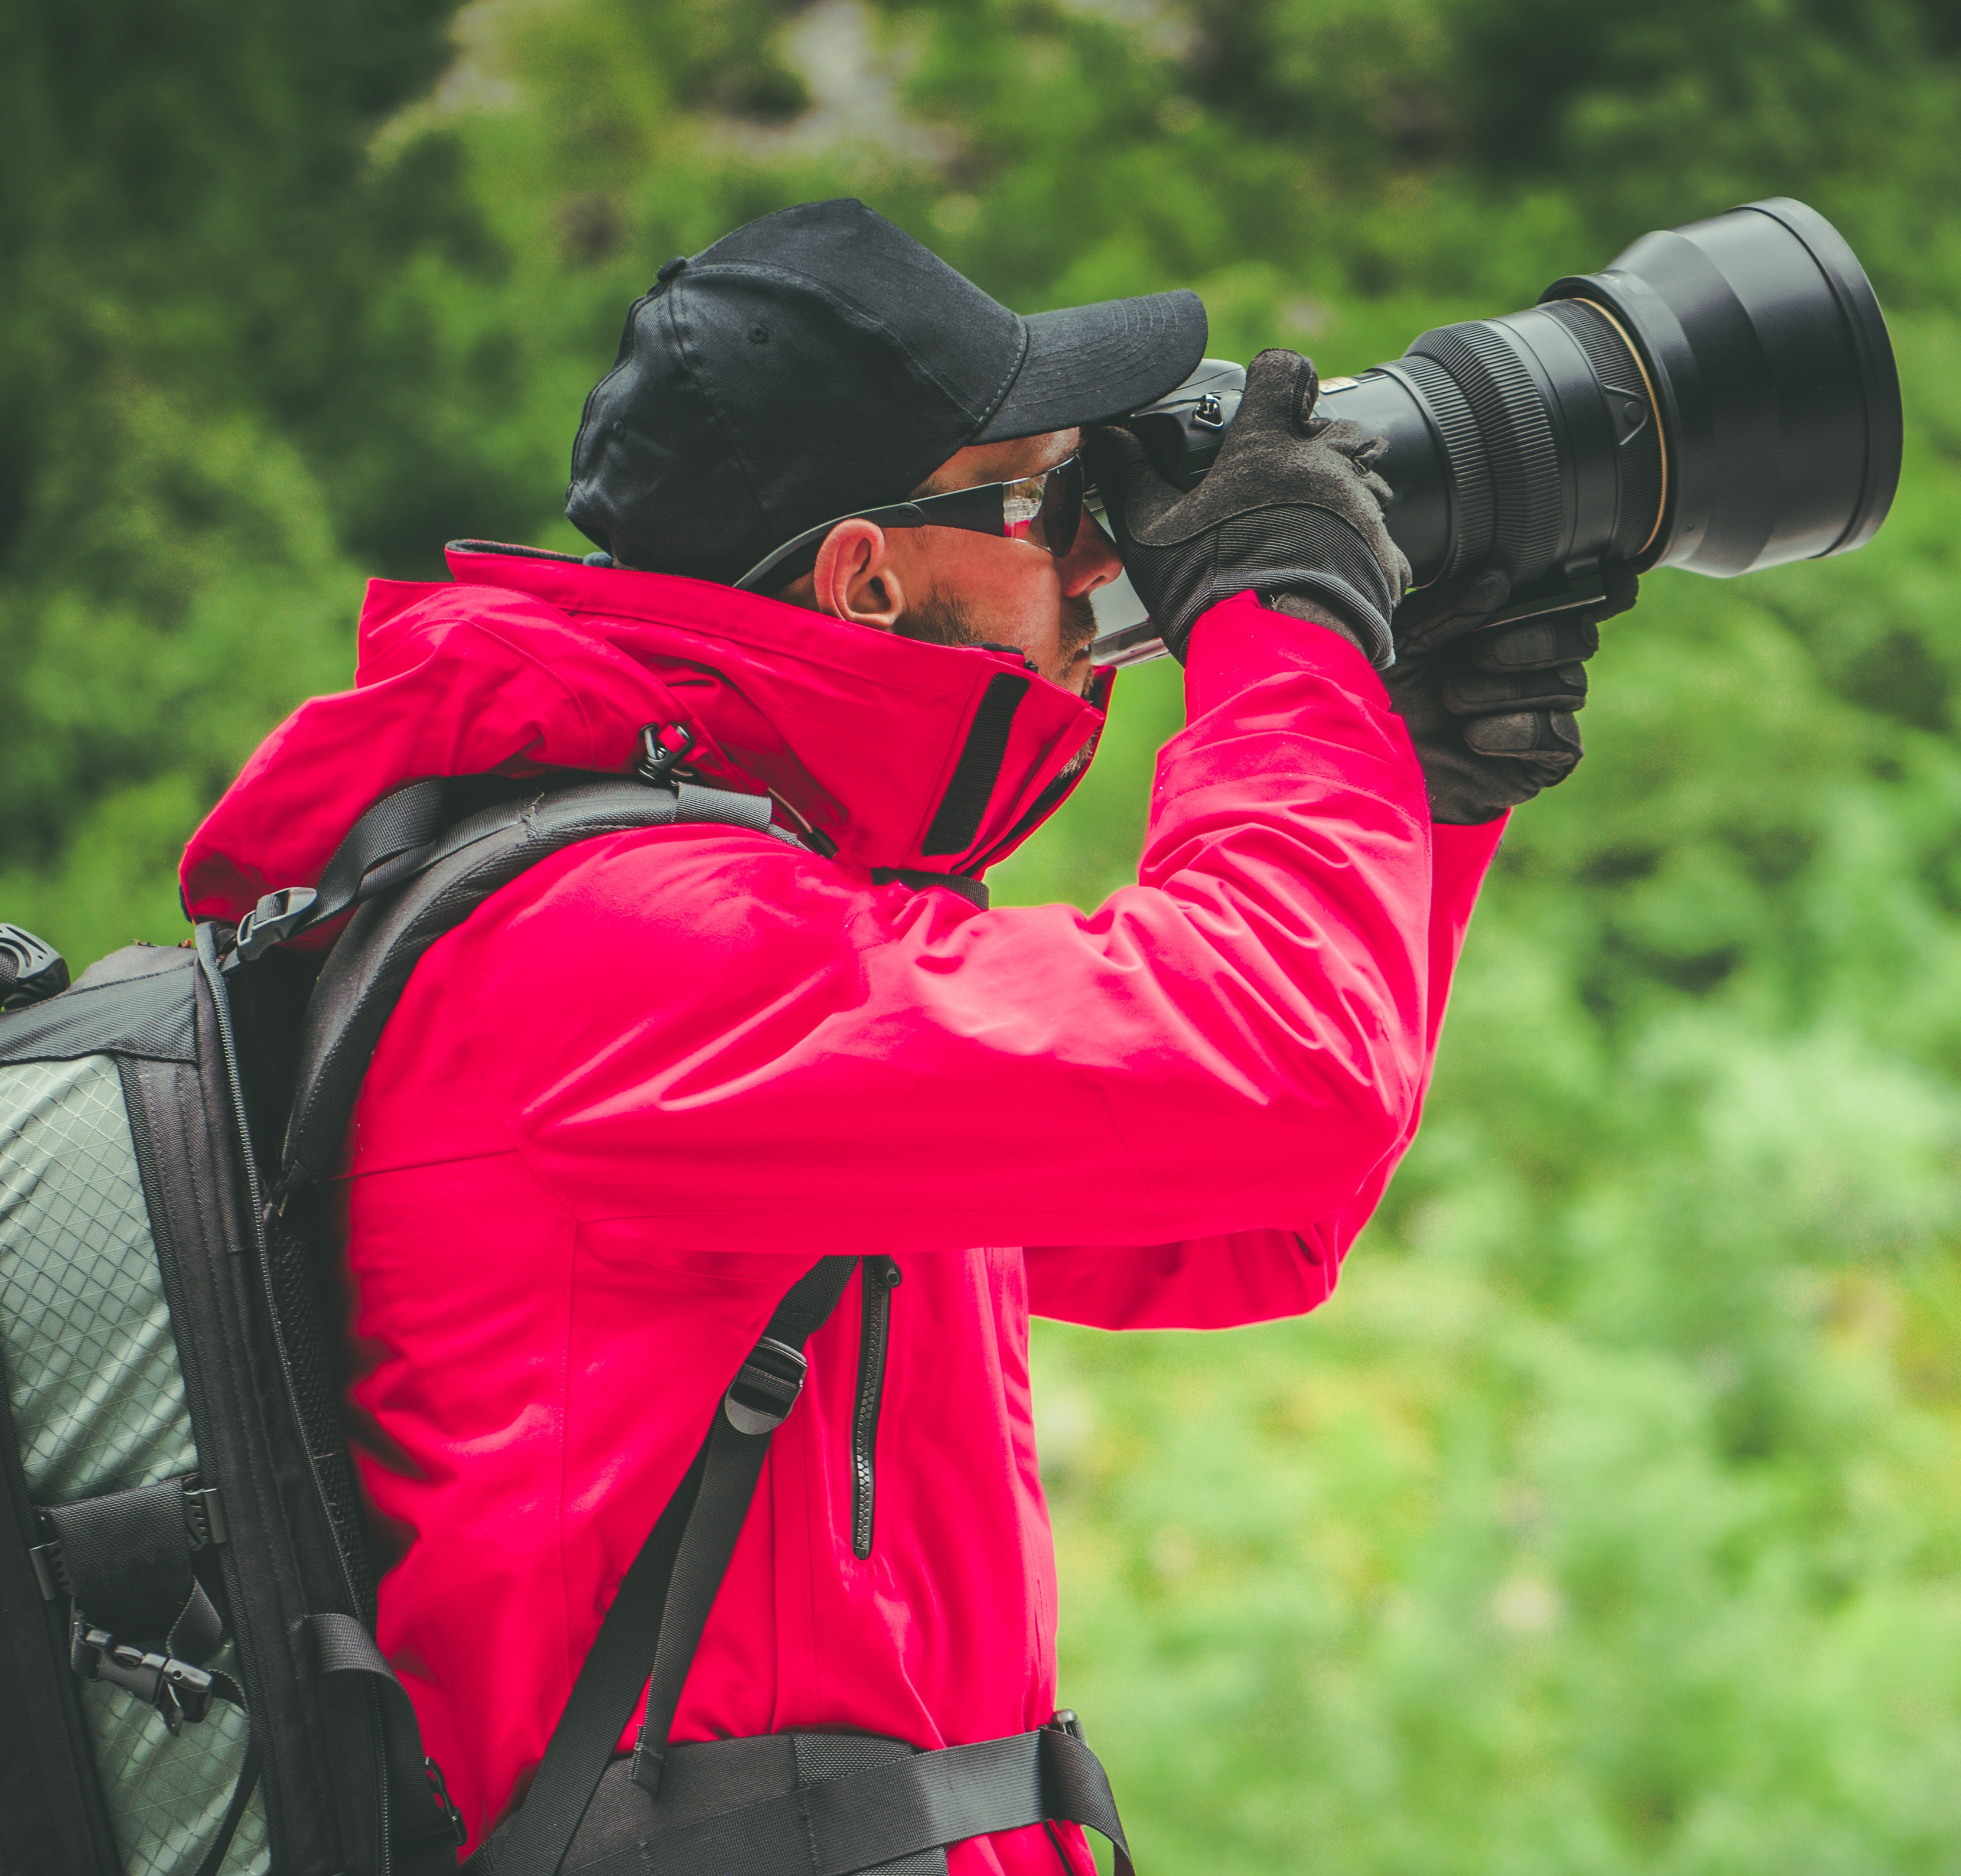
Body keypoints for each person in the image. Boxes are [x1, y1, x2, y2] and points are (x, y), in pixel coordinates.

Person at [177, 198, 1621, 1872]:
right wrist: (1280, 622)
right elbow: (1284, 1070)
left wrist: (1413, 783)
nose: (1097, 558)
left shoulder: (729, 930)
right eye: (1051, 502)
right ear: (867, 577)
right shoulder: (628, 954)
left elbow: (1242, 1219)